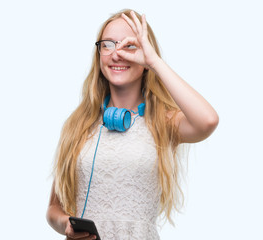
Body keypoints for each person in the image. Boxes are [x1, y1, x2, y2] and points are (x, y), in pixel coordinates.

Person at [46, 9, 219, 240]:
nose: (117, 54)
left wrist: (154, 61)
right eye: (108, 45)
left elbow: (207, 120)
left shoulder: (162, 122)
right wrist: (65, 224)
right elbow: (53, 209)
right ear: (99, 54)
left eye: (129, 46)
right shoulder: (77, 125)